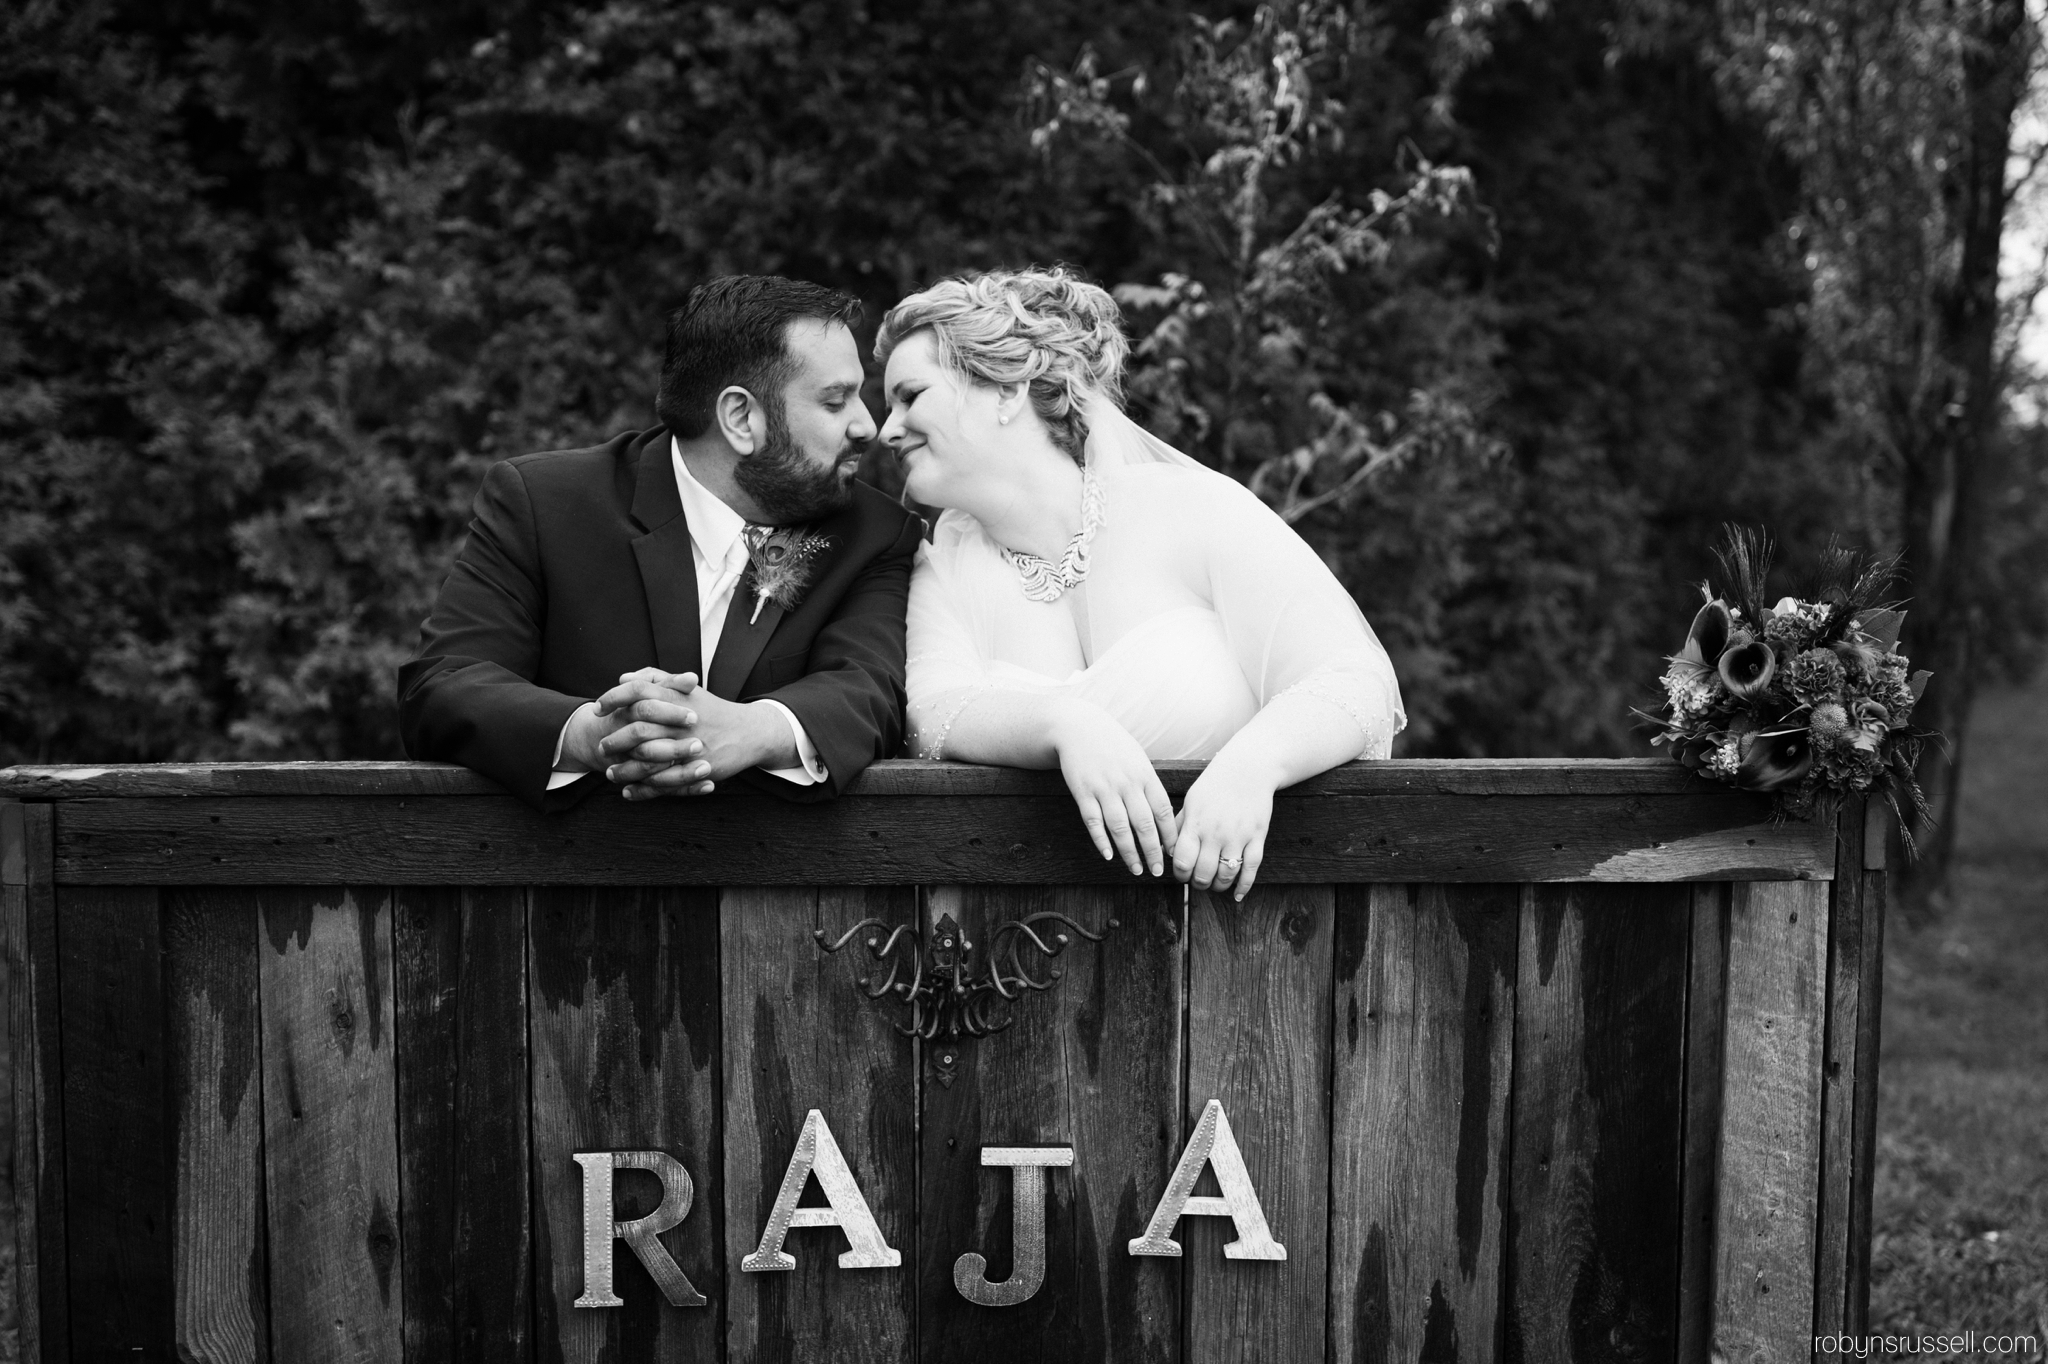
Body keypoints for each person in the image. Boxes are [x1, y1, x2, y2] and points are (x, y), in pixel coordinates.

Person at [876, 267, 1404, 901]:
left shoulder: (1191, 509)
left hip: (1249, 937)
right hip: (1031, 947)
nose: (887, 428)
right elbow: (932, 716)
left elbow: (1356, 682)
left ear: (1005, 389)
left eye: (910, 395)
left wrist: (1253, 765)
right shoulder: (944, 563)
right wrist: (1065, 724)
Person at [399, 275, 922, 812]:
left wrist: (753, 729)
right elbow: (444, 685)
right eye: (836, 402)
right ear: (741, 418)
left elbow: (871, 690)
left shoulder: (874, 533)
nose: (869, 426)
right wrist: (591, 732)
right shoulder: (543, 504)